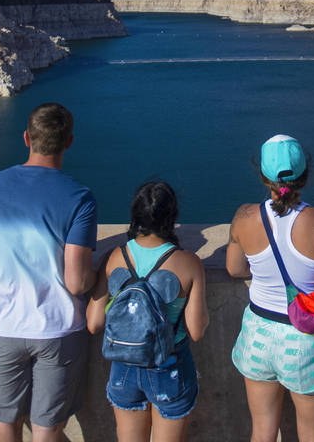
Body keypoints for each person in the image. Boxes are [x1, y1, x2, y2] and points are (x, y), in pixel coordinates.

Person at [0, 103, 97, 442]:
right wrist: (96, 278)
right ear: (69, 142)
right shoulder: (79, 198)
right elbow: (75, 281)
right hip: (58, 329)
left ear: (27, 138)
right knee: (47, 430)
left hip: (5, 327)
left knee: (4, 423)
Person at [225, 134, 314, 442]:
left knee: (262, 430)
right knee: (313, 434)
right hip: (304, 340)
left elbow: (234, 269)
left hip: (258, 333)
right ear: (305, 176)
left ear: (263, 175)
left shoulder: (243, 217)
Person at [87, 180, 210, 442]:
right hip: (169, 366)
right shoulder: (189, 263)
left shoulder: (114, 257)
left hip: (124, 365)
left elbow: (94, 323)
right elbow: (197, 331)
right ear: (171, 217)